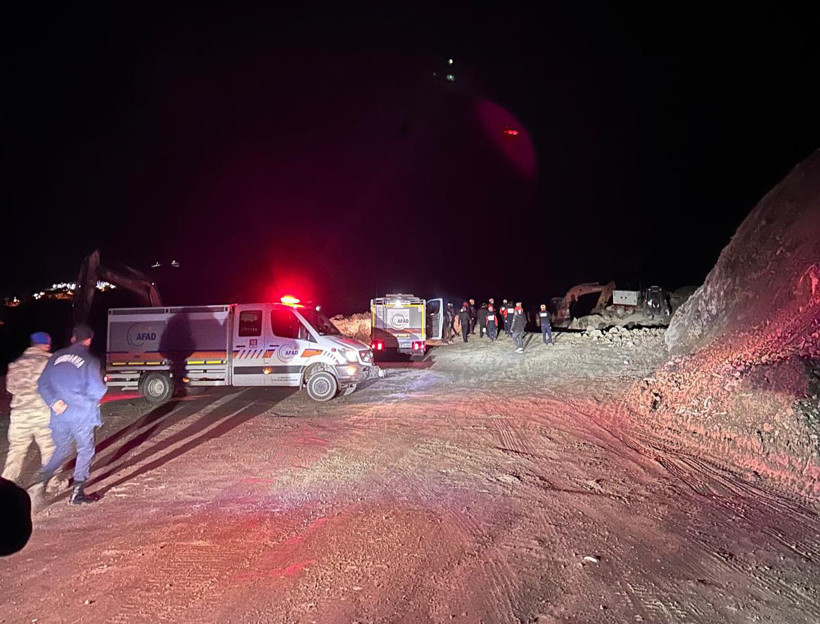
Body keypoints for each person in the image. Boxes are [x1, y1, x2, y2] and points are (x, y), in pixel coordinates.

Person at [34, 324, 107, 505]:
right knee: (85, 450)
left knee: (62, 448)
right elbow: (98, 390)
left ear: (73, 338)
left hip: (59, 415)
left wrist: (54, 401)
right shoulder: (91, 361)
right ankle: (77, 493)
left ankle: (39, 481)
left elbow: (42, 384)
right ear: (88, 340)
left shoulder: (56, 357)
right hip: (81, 415)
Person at [2, 333, 65, 493]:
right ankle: (53, 484)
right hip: (43, 413)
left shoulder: (16, 364)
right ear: (46, 345)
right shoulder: (49, 362)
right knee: (50, 449)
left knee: (16, 450)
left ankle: (5, 486)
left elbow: (10, 388)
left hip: (20, 414)